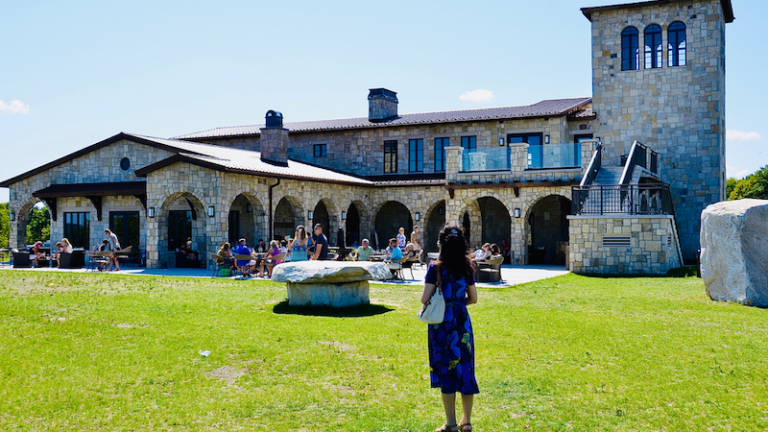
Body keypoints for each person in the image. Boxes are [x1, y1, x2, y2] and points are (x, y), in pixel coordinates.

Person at [420, 225, 479, 432]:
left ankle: (451, 423)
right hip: (462, 323)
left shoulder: (435, 268)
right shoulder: (467, 268)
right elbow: (473, 298)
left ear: (441, 244)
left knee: (446, 368)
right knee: (465, 368)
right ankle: (467, 421)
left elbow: (424, 298)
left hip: (441, 325)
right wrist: (457, 304)